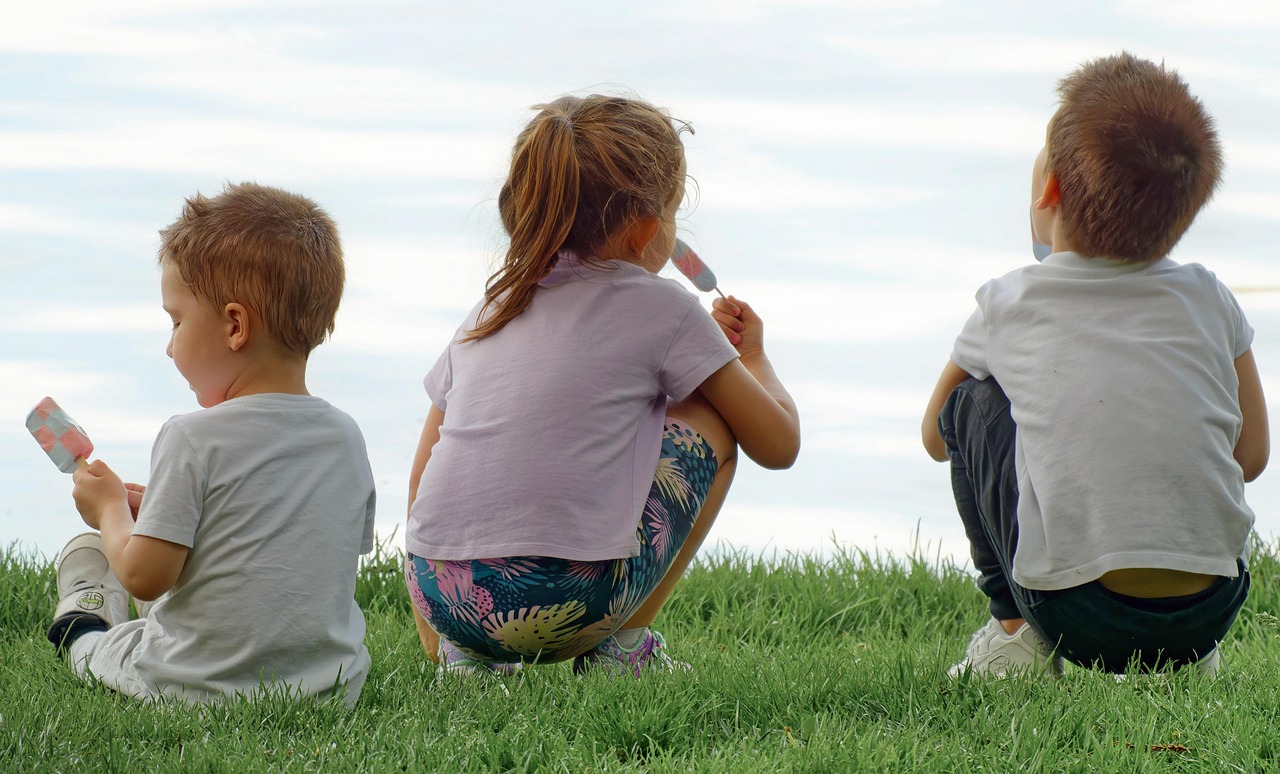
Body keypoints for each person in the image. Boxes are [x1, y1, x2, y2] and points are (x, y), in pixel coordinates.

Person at [404, 94, 801, 676]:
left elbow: (422, 476)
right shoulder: (666, 305)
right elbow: (778, 444)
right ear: (645, 232)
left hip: (443, 593)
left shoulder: (492, 306)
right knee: (713, 416)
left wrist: (439, 638)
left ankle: (464, 663)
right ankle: (624, 649)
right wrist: (755, 358)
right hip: (570, 602)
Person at [922, 53, 1268, 677]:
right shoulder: (1210, 297)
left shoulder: (1010, 300)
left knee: (966, 402)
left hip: (1074, 614)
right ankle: (1186, 659)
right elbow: (1251, 456)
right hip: (1210, 608)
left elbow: (936, 436)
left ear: (1048, 190)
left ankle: (1014, 634)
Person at [49, 183, 378, 706]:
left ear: (234, 325)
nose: (169, 344)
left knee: (102, 646)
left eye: (176, 321)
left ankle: (85, 612)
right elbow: (299, 550)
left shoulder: (190, 437)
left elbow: (145, 578)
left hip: (192, 684)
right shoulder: (346, 437)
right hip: (328, 686)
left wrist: (111, 508)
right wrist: (165, 509)